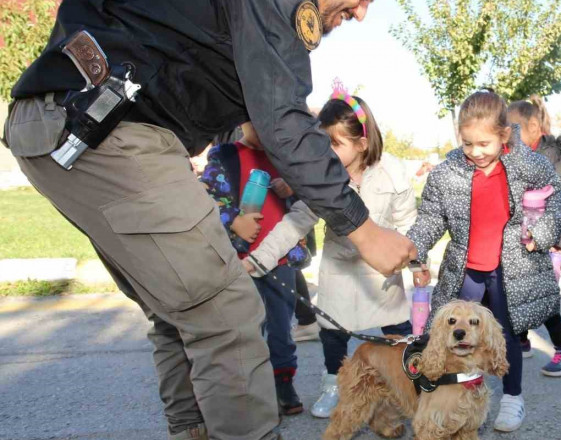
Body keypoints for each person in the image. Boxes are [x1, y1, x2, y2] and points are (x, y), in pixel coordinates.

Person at [0, 2, 417, 439]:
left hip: (67, 121)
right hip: (103, 124)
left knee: (178, 308)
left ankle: (193, 430)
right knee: (227, 314)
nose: (363, 12)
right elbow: (281, 119)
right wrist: (364, 230)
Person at [244, 89, 416, 419]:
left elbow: (407, 220)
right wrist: (261, 257)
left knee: (395, 329)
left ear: (362, 143)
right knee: (332, 333)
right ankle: (334, 384)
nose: (328, 151)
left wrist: (416, 259)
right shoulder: (323, 178)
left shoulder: (392, 171)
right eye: (324, 144)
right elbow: (296, 220)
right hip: (339, 269)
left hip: (381, 275)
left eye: (335, 144)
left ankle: (404, 381)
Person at [407, 90, 561, 432]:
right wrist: (413, 249)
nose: (476, 152)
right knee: (451, 330)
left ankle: (512, 397)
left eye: (484, 144)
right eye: (468, 144)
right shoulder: (448, 171)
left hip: (513, 269)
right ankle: (451, 391)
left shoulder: (529, 165)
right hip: (467, 270)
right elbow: (431, 217)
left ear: (504, 134)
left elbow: (557, 204)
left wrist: (540, 234)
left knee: (505, 333)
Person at [200, 122, 315, 416]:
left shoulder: (284, 159)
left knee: (281, 327)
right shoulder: (224, 156)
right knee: (247, 328)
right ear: (242, 122)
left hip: (280, 261)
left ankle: (283, 383)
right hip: (240, 261)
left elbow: (308, 200)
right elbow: (205, 200)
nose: (266, 131)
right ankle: (251, 390)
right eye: (257, 123)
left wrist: (292, 187)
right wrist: (233, 220)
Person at [508, 96, 561, 377]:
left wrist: (558, 245)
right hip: (527, 242)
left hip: (549, 244)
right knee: (520, 291)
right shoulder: (522, 156)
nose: (508, 135)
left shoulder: (555, 157)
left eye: (513, 128)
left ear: (532, 125)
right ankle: (521, 339)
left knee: (543, 299)